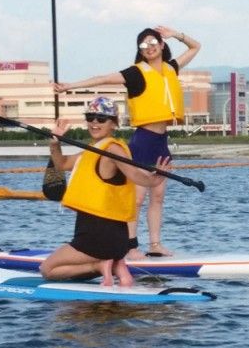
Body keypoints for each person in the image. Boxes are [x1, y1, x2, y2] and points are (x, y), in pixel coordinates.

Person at [54, 25, 200, 259]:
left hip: (161, 141)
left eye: (153, 43)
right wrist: (70, 86)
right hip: (143, 140)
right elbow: (102, 79)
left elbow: (196, 46)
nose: (148, 48)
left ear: (162, 45)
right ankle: (131, 246)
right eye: (143, 46)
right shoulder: (135, 73)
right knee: (138, 197)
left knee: (159, 196)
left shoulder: (171, 68)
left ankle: (155, 245)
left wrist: (177, 34)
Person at [40, 97, 169, 286]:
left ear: (114, 123)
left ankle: (100, 265)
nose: (94, 122)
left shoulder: (114, 150)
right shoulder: (92, 150)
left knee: (48, 269)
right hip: (104, 234)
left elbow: (134, 174)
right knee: (53, 268)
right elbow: (62, 163)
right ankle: (116, 266)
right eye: (90, 117)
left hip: (99, 234)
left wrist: (153, 179)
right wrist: (55, 144)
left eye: (101, 118)